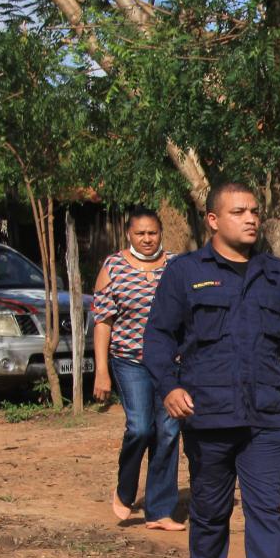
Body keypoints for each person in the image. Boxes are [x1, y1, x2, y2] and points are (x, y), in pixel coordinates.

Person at [143, 181, 280, 558]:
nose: (250, 219)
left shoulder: (276, 275)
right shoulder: (185, 273)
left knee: (267, 508)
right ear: (213, 220)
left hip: (263, 415)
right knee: (209, 509)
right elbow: (159, 338)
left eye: (254, 211)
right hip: (208, 415)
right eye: (239, 211)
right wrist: (169, 387)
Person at [92, 208, 184, 530]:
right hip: (129, 360)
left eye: (153, 233)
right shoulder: (113, 267)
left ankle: (160, 511)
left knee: (169, 432)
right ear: (129, 235)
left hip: (169, 365)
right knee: (141, 428)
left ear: (161, 234)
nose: (147, 239)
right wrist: (101, 370)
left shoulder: (176, 266)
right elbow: (103, 321)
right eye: (140, 233)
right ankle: (125, 487)